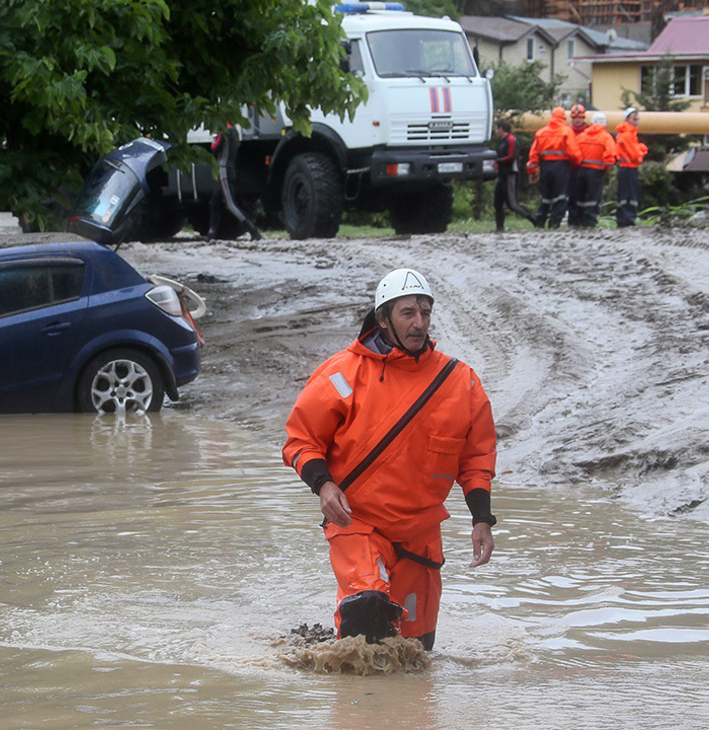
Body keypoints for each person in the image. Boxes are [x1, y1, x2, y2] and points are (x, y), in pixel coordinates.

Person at [282, 268, 497, 651]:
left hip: (421, 534)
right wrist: (323, 484)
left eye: (425, 313)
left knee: (415, 654)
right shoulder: (341, 374)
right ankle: (357, 709)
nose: (419, 323)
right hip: (357, 523)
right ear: (382, 319)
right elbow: (300, 441)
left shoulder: (461, 382)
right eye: (407, 313)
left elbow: (477, 456)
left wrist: (482, 518)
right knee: (367, 616)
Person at [527, 107, 581, 228]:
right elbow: (573, 152)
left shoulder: (541, 133)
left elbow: (533, 154)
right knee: (561, 196)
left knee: (546, 196)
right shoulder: (567, 132)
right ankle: (554, 223)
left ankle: (540, 221)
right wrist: (577, 164)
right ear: (563, 118)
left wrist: (533, 171)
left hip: (545, 166)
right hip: (561, 166)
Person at [206, 125, 261, 241]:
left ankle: (253, 231)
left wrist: (214, 137)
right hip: (229, 169)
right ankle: (211, 233)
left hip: (224, 169)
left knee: (230, 205)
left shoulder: (224, 131)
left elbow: (214, 148)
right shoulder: (235, 131)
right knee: (214, 202)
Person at [569, 112, 617, 227]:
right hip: (596, 171)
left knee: (579, 196)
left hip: (581, 170)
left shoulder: (582, 136)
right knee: (593, 197)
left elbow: (574, 152)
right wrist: (606, 168)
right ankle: (589, 221)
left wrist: (577, 165)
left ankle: (576, 220)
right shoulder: (606, 137)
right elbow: (610, 155)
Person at [492, 119, 537, 231]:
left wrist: (497, 161)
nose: (496, 131)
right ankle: (499, 227)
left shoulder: (511, 139)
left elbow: (511, 156)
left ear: (501, 129)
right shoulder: (502, 141)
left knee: (512, 204)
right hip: (502, 175)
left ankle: (535, 220)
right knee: (497, 203)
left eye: (497, 129)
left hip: (510, 175)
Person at [614, 108, 648, 227]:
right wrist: (642, 151)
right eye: (634, 119)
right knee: (629, 195)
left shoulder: (626, 133)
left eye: (637, 119)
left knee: (624, 195)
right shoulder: (628, 134)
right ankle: (628, 219)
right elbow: (635, 155)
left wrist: (639, 149)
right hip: (629, 168)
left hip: (625, 168)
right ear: (628, 119)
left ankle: (624, 218)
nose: (637, 121)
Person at [564, 104, 590, 227]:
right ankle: (572, 220)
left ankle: (583, 219)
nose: (577, 120)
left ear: (583, 118)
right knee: (572, 195)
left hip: (585, 167)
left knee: (584, 195)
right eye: (574, 118)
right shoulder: (567, 131)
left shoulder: (589, 131)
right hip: (571, 168)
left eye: (579, 117)